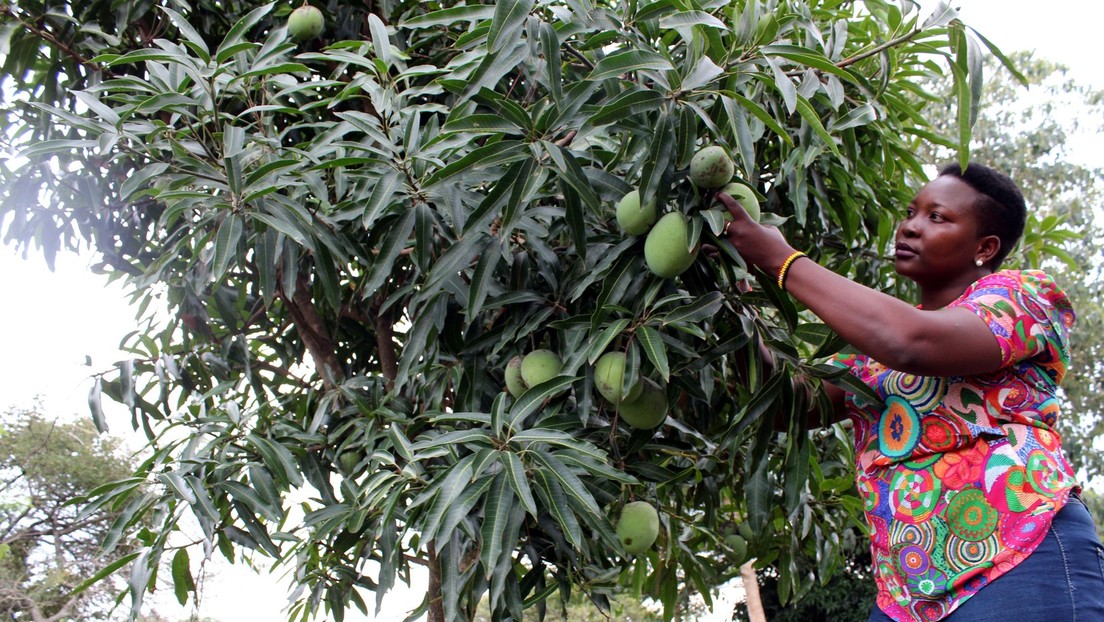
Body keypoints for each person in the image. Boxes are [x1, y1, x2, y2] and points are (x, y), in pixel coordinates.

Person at [716, 163, 1104, 622]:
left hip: (1021, 557)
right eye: (910, 213)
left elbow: (913, 342)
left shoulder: (1024, 298)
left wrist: (781, 260)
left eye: (937, 217)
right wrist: (728, 304)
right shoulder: (868, 359)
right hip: (908, 596)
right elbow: (790, 406)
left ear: (986, 247)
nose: (910, 227)